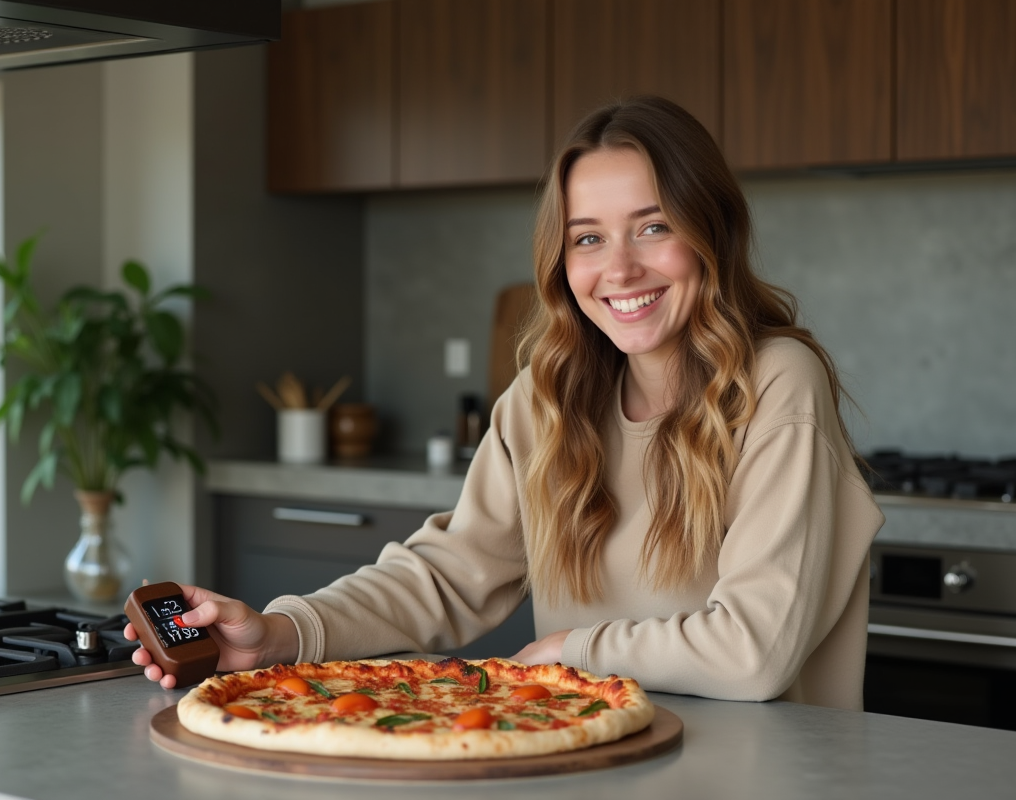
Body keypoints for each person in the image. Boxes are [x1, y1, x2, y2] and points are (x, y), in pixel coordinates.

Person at [126, 96, 884, 709]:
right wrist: (281, 632)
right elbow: (449, 575)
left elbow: (754, 652)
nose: (619, 268)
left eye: (653, 227)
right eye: (588, 239)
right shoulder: (546, 399)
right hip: (602, 767)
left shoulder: (778, 380)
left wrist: (571, 651)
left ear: (711, 232)